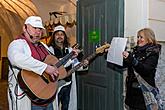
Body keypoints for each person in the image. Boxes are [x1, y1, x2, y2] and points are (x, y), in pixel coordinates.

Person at [7, 16, 78, 110]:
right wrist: (45, 68)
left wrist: (69, 58)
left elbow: (55, 64)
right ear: (25, 28)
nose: (38, 32)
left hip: (48, 96)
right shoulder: (17, 44)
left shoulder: (43, 46)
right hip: (30, 98)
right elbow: (16, 58)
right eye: (34, 28)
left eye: (40, 29)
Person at [48, 25, 89, 110]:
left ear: (65, 37)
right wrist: (70, 59)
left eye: (62, 34)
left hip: (68, 83)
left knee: (66, 106)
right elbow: (55, 65)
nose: (59, 36)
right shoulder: (49, 50)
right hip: (56, 84)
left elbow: (75, 64)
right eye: (57, 34)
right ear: (53, 37)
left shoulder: (70, 50)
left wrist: (83, 65)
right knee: (54, 106)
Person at [122, 28, 161, 110]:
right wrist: (112, 55)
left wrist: (132, 60)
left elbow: (145, 70)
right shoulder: (135, 51)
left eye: (141, 37)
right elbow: (123, 65)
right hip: (132, 92)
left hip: (144, 93)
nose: (138, 39)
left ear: (149, 39)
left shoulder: (153, 53)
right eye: (138, 37)